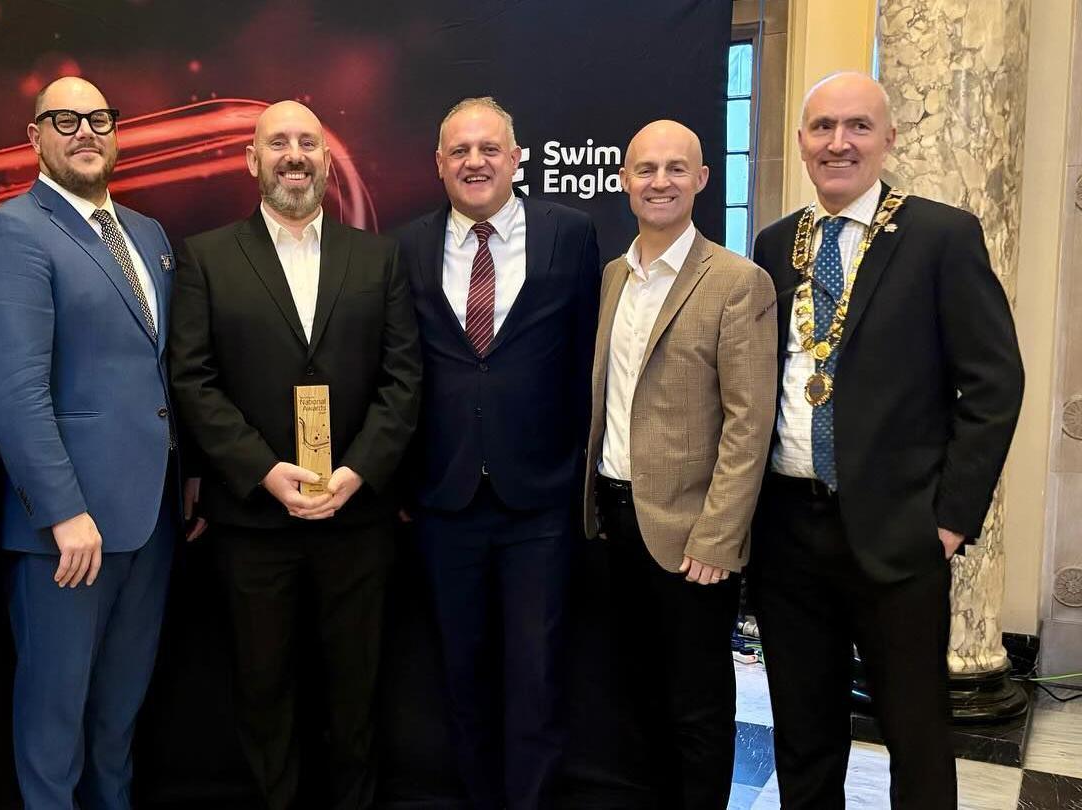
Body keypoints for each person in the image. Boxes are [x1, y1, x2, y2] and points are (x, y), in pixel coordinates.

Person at [749, 71, 1024, 809]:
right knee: (803, 734)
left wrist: (949, 521)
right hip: (787, 530)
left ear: (888, 138)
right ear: (803, 142)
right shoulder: (777, 245)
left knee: (915, 733)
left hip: (899, 535)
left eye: (858, 127)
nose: (839, 143)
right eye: (823, 128)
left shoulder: (940, 235)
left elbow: (994, 385)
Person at [168, 100, 421, 810]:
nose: (294, 155)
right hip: (254, 524)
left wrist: (355, 471)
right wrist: (265, 472)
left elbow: (405, 380)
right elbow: (193, 379)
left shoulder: (380, 258)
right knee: (263, 696)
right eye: (277, 142)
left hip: (356, 518)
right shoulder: (206, 257)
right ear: (252, 159)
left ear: (326, 158)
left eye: (307, 141)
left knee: (356, 700)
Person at [0, 76, 195, 809]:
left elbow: (156, 376)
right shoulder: (11, 232)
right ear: (34, 138)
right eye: (64, 120)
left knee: (118, 719)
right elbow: (14, 392)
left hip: (150, 522)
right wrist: (63, 512)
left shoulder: (147, 235)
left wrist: (185, 475)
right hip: (68, 535)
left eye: (98, 118)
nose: (85, 131)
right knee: (53, 726)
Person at [391, 96, 599, 810]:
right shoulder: (407, 246)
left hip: (539, 497)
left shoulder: (570, 235)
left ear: (517, 157)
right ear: (439, 165)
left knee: (536, 681)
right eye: (459, 151)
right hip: (444, 500)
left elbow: (585, 364)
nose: (474, 162)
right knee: (462, 679)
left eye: (489, 149)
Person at [581, 120, 776, 808]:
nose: (658, 182)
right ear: (624, 180)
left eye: (674, 169)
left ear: (701, 178)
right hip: (615, 519)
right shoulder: (614, 276)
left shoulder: (736, 283)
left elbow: (750, 424)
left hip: (694, 538)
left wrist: (721, 538)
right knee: (638, 697)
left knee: (697, 708)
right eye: (644, 169)